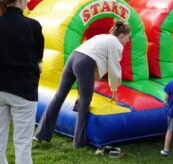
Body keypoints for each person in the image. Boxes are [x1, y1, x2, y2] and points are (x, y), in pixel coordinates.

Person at [34, 20, 130, 148]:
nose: (128, 41)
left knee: (59, 96)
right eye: (128, 37)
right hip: (85, 63)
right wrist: (114, 91)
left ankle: (40, 134)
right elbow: (114, 68)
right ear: (122, 35)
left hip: (73, 58)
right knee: (85, 102)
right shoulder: (116, 43)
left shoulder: (102, 37)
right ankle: (79, 143)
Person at [0, 0, 44, 164]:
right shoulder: (32, 26)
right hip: (23, 91)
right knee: (23, 144)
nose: (28, 0)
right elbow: (38, 58)